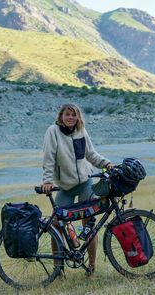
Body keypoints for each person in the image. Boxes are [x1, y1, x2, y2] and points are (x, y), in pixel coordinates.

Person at [42, 103, 113, 277]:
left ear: (78, 117)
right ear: (61, 116)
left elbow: (91, 154)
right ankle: (58, 270)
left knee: (89, 224)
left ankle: (92, 267)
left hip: (85, 183)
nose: (71, 118)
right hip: (65, 187)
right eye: (67, 114)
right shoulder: (53, 131)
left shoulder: (81, 131)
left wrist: (107, 164)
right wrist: (47, 180)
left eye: (74, 115)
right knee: (57, 225)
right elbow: (48, 157)